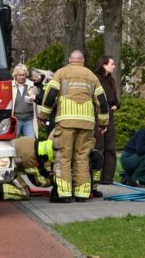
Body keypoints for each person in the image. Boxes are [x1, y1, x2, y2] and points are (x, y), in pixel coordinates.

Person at [39, 50, 109, 202]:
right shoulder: (91, 76)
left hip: (66, 122)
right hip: (86, 123)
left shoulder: (61, 73)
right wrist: (104, 123)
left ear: (70, 60)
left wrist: (43, 116)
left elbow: (50, 95)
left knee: (64, 157)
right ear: (82, 61)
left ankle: (64, 194)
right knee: (82, 157)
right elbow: (102, 101)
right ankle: (82, 194)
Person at [0, 136, 53, 201]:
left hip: (2, 162)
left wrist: (48, 172)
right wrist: (51, 182)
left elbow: (43, 165)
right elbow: (37, 181)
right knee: (24, 193)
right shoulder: (29, 158)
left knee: (24, 187)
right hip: (6, 169)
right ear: (42, 156)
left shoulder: (33, 141)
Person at [94, 55, 120, 184]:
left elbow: (114, 97)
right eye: (112, 64)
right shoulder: (96, 79)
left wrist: (116, 105)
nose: (114, 66)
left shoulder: (110, 80)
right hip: (98, 114)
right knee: (99, 145)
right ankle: (96, 175)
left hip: (109, 113)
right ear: (104, 64)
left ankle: (107, 177)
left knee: (110, 145)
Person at [9, 63, 38, 138]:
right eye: (19, 75)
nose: (21, 77)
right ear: (15, 75)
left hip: (29, 119)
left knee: (31, 141)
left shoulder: (32, 85)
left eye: (23, 75)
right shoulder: (10, 86)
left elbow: (38, 102)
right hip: (16, 119)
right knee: (14, 141)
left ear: (26, 75)